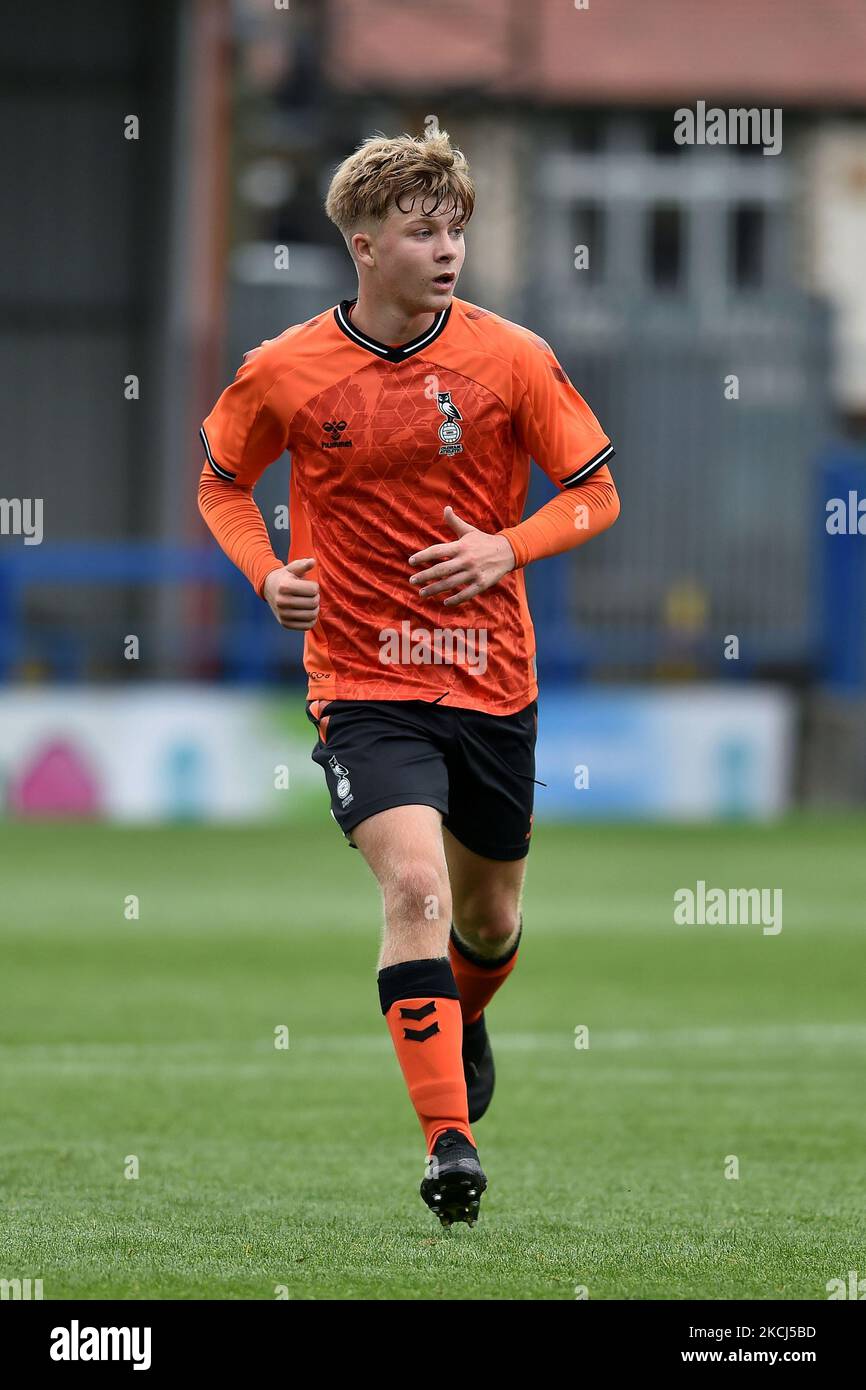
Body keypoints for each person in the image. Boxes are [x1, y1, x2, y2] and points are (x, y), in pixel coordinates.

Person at [198, 129, 620, 1227]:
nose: (447, 252)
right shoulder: (284, 369)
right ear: (362, 243)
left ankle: (463, 1014)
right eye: (424, 232)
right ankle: (448, 1143)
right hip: (362, 681)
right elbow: (221, 483)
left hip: (491, 677)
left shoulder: (512, 358)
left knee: (486, 918)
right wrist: (265, 574)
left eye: (457, 232)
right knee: (416, 892)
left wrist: (504, 548)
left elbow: (593, 494)